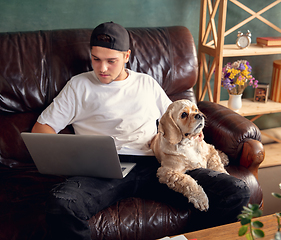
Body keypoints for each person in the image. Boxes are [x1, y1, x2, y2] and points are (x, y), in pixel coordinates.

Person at [32, 22, 251, 240]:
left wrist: (192, 132)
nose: (102, 68)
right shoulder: (78, 86)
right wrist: (72, 156)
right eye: (96, 59)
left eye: (111, 61)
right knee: (62, 203)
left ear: (127, 56)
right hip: (105, 170)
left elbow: (175, 117)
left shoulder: (147, 83)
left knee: (236, 190)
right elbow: (42, 129)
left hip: (159, 163)